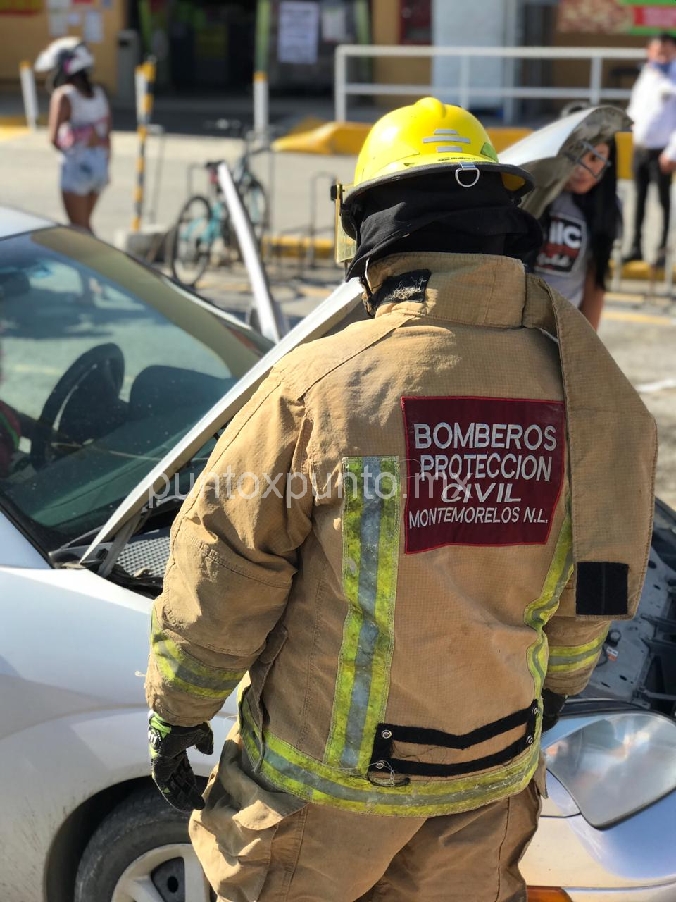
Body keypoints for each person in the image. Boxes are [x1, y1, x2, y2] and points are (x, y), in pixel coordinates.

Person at [145, 98, 657, 902]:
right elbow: (596, 577)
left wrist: (179, 712)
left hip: (322, 799)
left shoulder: (323, 386)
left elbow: (228, 566)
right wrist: (557, 685)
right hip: (486, 784)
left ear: (373, 230)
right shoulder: (589, 395)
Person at [532, 137, 621, 330]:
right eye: (575, 156)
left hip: (565, 327)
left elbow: (595, 277)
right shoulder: (532, 195)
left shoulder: (606, 207)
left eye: (595, 158)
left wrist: (588, 345)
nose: (583, 168)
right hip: (521, 323)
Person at [34, 38, 112, 233]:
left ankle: (98, 263)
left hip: (77, 168)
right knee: (85, 225)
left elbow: (53, 139)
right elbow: (107, 135)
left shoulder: (64, 95)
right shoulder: (99, 93)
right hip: (99, 166)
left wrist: (72, 140)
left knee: (79, 230)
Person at [624, 32, 676, 266]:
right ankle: (636, 246)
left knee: (663, 202)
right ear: (649, 51)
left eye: (666, 50)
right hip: (641, 147)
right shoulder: (646, 73)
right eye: (657, 50)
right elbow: (636, 109)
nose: (661, 54)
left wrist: (672, 152)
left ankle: (662, 251)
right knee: (639, 199)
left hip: (662, 150)